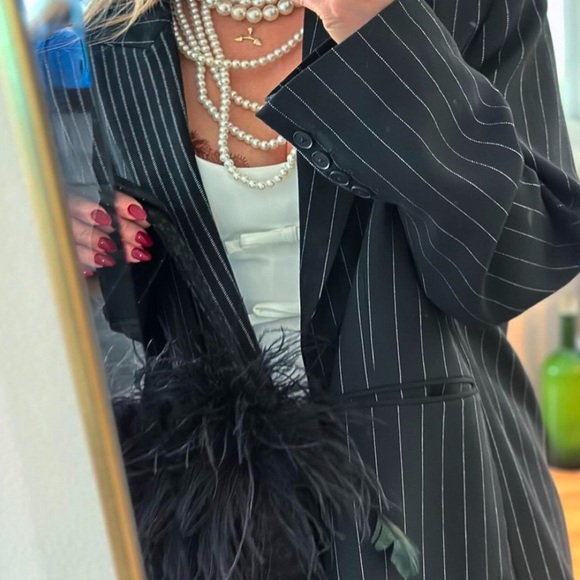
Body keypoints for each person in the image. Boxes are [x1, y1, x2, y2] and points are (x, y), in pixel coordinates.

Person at [64, 0, 580, 577]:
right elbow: (142, 325)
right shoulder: (111, 31)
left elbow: (517, 260)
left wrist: (379, 31)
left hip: (441, 496)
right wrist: (90, 251)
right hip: (219, 525)